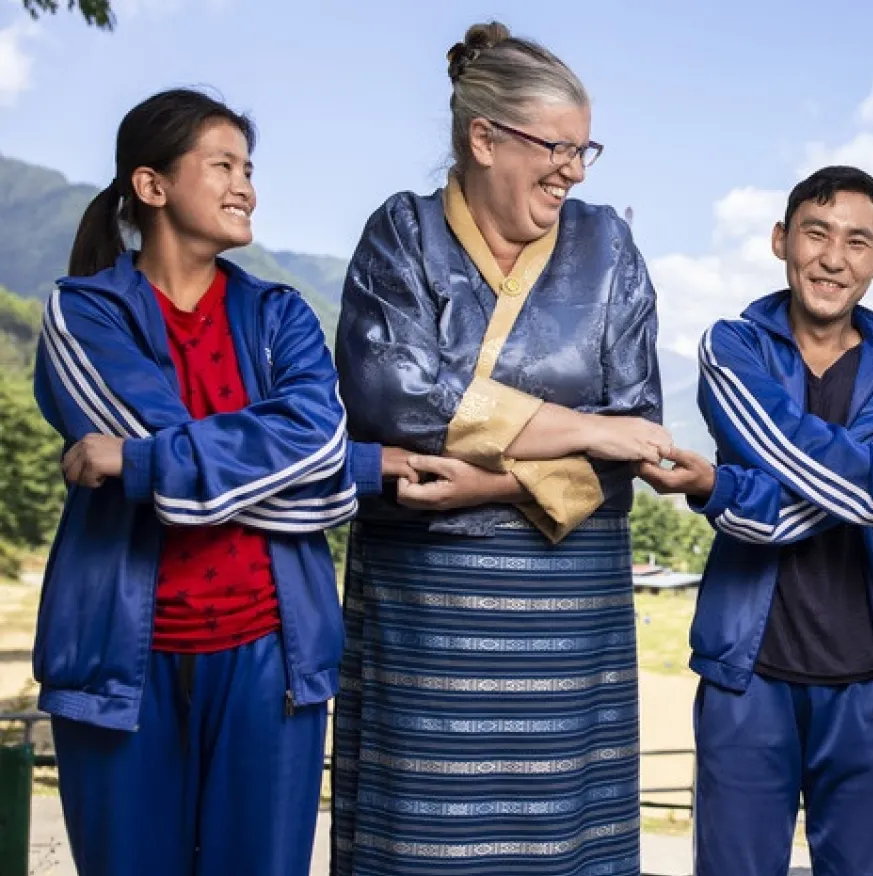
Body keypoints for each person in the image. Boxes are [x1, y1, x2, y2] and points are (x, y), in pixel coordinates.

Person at [32, 88, 401, 876]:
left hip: (273, 658)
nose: (246, 186)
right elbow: (313, 467)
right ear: (152, 185)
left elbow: (313, 438)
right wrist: (343, 473)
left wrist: (134, 466)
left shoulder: (281, 314)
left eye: (250, 168)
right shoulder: (82, 314)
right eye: (223, 165)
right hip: (118, 667)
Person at [330, 22, 668, 876]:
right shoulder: (401, 234)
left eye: (585, 148)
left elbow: (640, 431)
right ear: (484, 139)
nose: (576, 170)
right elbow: (390, 397)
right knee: (423, 837)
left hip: (566, 618)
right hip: (426, 616)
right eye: (556, 146)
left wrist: (485, 485)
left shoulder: (608, 249)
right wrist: (583, 426)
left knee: (563, 835)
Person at [636, 165, 873, 876]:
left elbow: (829, 487)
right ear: (781, 240)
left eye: (857, 241)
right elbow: (812, 464)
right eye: (815, 233)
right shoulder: (732, 346)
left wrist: (726, 490)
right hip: (747, 678)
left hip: (870, 678)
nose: (833, 258)